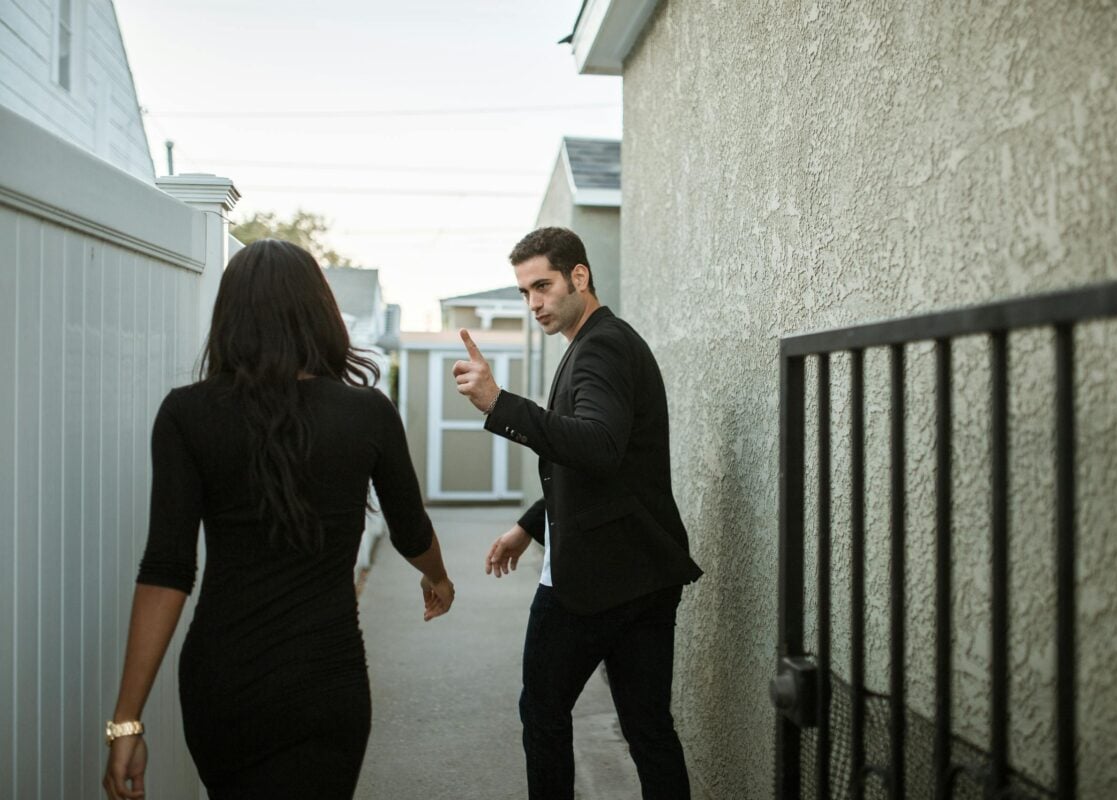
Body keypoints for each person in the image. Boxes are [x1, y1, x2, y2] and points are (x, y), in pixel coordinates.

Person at [103, 239, 454, 800]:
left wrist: (127, 721)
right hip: (326, 682)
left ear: (229, 317)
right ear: (318, 313)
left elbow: (167, 571)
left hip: (225, 684)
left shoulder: (185, 414)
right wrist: (438, 577)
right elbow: (412, 531)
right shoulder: (367, 412)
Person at [452, 226, 702, 799]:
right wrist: (529, 523)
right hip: (643, 570)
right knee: (648, 728)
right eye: (523, 291)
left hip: (595, 579)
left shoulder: (602, 346)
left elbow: (596, 445)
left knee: (543, 711)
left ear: (579, 277)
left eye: (543, 285)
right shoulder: (598, 343)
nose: (534, 302)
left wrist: (499, 404)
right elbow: (603, 469)